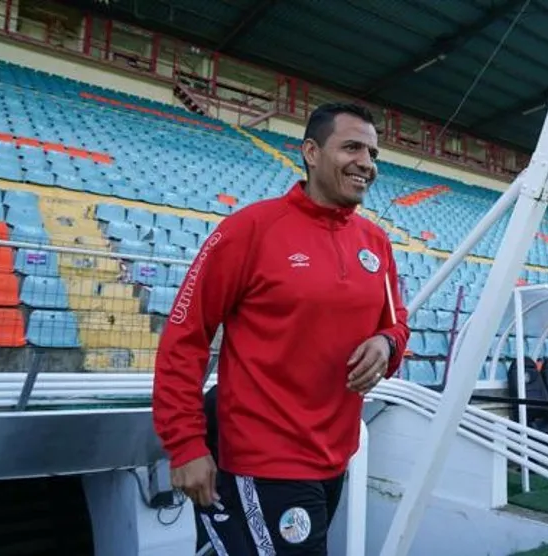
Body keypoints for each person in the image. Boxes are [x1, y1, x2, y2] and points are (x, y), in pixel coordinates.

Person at [152, 102, 410, 555]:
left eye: (372, 153)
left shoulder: (376, 243)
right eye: (352, 147)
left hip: (335, 457)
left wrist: (386, 344)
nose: (366, 163)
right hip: (264, 460)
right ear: (311, 152)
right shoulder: (250, 229)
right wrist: (186, 445)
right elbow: (184, 337)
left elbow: (397, 324)